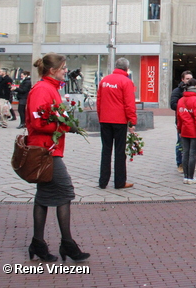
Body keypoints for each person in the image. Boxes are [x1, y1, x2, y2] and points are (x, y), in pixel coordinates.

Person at [26, 52, 90, 262]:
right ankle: (67, 244)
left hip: (48, 149)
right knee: (65, 191)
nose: (66, 70)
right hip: (46, 151)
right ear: (52, 70)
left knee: (44, 197)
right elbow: (37, 122)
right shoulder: (43, 89)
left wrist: (64, 123)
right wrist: (65, 126)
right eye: (63, 67)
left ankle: (38, 243)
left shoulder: (49, 88)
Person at [97, 58, 137, 189]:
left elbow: (99, 101)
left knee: (106, 150)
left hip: (105, 119)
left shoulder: (104, 81)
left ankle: (103, 182)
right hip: (119, 120)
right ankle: (119, 182)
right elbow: (129, 104)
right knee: (120, 152)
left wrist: (101, 116)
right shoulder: (126, 82)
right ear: (127, 68)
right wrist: (132, 122)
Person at [177, 78, 196, 184]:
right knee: (192, 154)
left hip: (184, 130)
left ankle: (185, 177)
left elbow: (179, 118)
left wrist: (179, 129)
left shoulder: (181, 100)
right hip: (194, 131)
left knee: (185, 153)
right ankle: (191, 177)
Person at [170, 71, 192, 173]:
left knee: (191, 144)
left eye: (190, 79)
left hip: (192, 121)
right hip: (181, 120)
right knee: (181, 143)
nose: (189, 81)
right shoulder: (177, 91)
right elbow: (173, 104)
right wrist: (184, 107)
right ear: (182, 79)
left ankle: (189, 163)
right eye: (187, 79)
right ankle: (180, 163)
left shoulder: (195, 90)